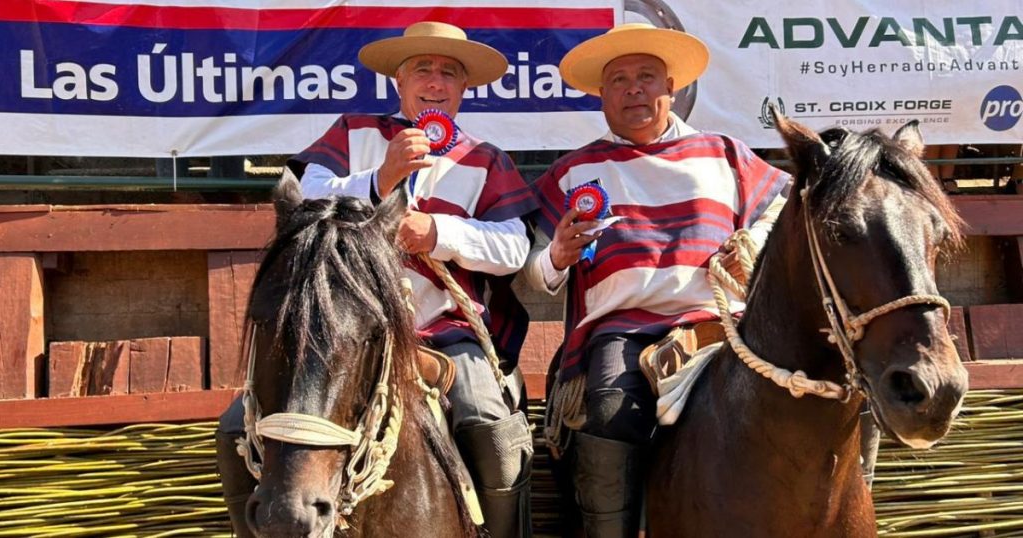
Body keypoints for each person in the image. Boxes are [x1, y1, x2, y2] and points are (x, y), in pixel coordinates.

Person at [218, 21, 536, 538]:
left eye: (449, 73)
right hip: (340, 332)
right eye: (423, 70)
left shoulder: (486, 159)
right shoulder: (354, 132)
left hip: (442, 332)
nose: (435, 82)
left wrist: (438, 233)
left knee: (494, 431)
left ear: (464, 88)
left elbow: (514, 248)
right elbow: (307, 203)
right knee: (236, 428)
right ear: (399, 82)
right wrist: (380, 180)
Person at [524, 23, 790, 537]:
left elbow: (784, 208)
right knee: (610, 410)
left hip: (723, 324)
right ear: (602, 97)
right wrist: (557, 253)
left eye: (647, 76)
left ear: (671, 88)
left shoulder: (724, 152)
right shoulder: (572, 171)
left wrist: (752, 249)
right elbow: (534, 273)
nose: (634, 89)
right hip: (621, 328)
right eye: (618, 80)